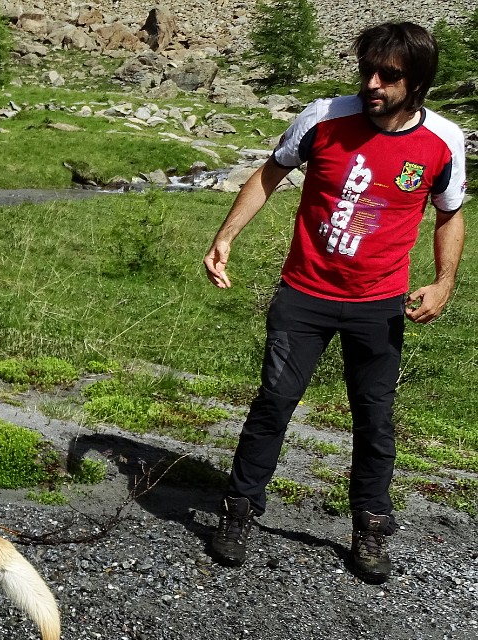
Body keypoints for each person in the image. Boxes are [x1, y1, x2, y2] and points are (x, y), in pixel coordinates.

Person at [203, 21, 467, 584]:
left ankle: (370, 525)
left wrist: (444, 281)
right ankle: (240, 511)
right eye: (367, 70)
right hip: (304, 295)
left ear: (416, 81)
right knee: (274, 402)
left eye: (388, 75)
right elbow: (268, 175)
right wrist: (225, 236)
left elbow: (449, 213)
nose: (372, 83)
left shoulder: (444, 140)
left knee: (374, 420)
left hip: (380, 303)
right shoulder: (323, 117)